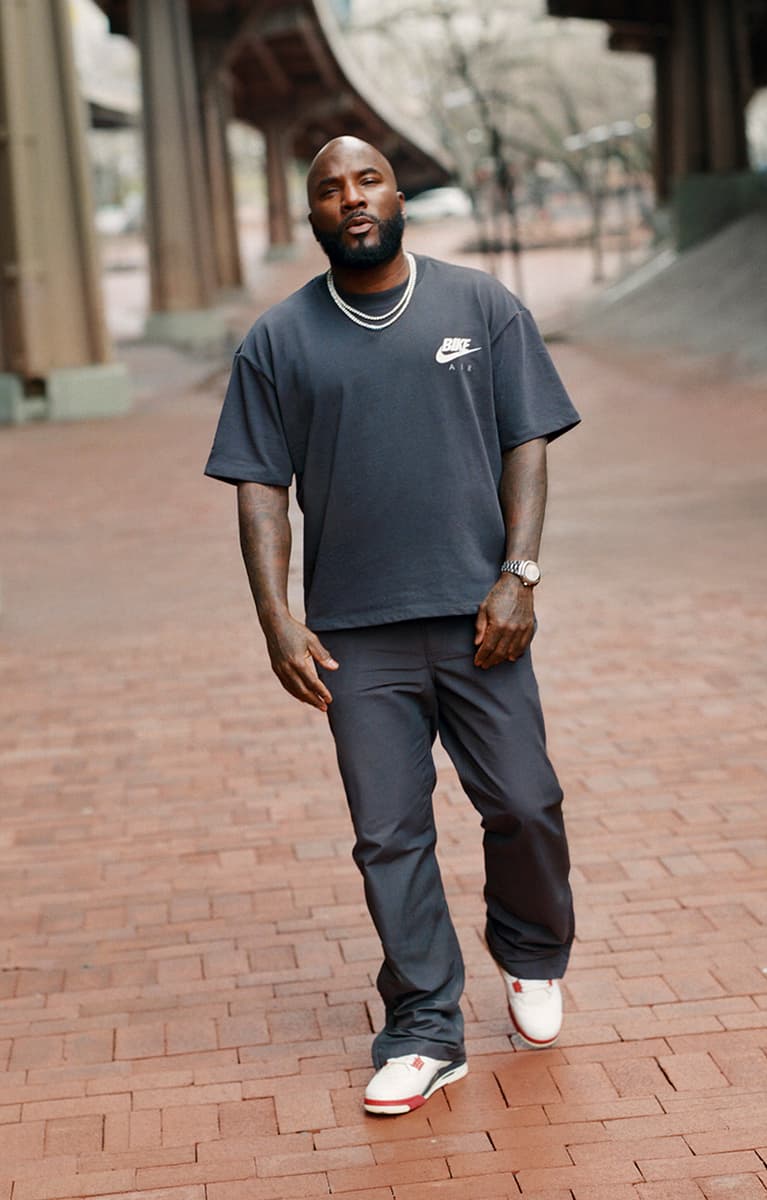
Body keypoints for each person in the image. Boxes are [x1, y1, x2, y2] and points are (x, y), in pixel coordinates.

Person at [205, 135, 579, 1116]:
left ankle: (532, 954)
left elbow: (525, 441)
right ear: (312, 214)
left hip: (478, 618)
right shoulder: (277, 341)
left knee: (526, 802)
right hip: (356, 637)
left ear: (396, 191)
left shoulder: (479, 306)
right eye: (327, 188)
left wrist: (518, 573)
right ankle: (422, 1025)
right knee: (388, 836)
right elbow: (257, 486)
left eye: (365, 179)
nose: (350, 197)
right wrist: (276, 619)